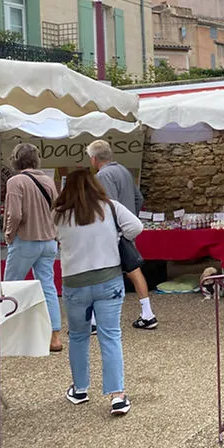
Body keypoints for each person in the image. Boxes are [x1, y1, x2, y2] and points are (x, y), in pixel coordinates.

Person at [54, 168, 141, 416]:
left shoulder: (60, 214)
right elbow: (136, 227)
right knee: (110, 335)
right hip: (108, 279)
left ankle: (80, 389)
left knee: (79, 336)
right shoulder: (110, 207)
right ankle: (117, 396)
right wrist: (116, 237)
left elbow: (53, 236)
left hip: (75, 282)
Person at [87, 139, 157, 330]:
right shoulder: (124, 171)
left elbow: (108, 205)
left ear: (94, 159)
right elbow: (138, 197)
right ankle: (147, 313)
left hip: (113, 232)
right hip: (126, 230)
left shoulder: (102, 176)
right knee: (134, 270)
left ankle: (94, 321)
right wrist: (130, 217)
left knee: (99, 273)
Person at [2, 143, 62, 352]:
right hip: (48, 241)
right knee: (48, 287)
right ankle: (54, 336)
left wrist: (9, 234)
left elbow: (15, 214)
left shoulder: (15, 182)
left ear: (16, 159)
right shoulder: (48, 181)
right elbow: (57, 209)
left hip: (25, 240)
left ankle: (9, 333)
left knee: (10, 286)